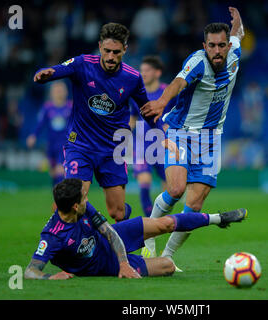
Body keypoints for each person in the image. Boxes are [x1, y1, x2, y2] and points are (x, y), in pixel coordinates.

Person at [33, 23, 172, 223]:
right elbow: (57, 70)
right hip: (80, 145)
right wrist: (46, 74)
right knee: (75, 199)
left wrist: (161, 135)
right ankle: (74, 246)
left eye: (116, 52)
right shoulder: (82, 64)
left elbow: (147, 111)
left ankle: (121, 221)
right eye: (107, 51)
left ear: (124, 49)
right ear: (100, 47)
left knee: (117, 213)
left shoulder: (132, 78)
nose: (110, 57)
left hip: (113, 151)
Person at [140, 7, 245, 268]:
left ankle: (168, 257)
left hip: (211, 139)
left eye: (222, 45)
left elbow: (237, 34)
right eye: (212, 46)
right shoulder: (197, 61)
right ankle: (148, 236)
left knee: (195, 204)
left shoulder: (234, 53)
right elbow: (177, 83)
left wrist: (237, 22)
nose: (218, 51)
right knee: (175, 189)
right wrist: (162, 101)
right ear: (204, 46)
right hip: (181, 133)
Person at [24, 178, 247, 279]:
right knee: (168, 266)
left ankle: (220, 218)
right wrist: (49, 278)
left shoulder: (83, 208)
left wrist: (124, 263)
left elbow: (109, 232)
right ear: (74, 206)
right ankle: (139, 252)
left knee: (166, 223)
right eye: (83, 198)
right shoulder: (52, 237)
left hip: (112, 239)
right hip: (104, 265)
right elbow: (30, 271)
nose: (87, 199)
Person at [129, 56, 175, 218]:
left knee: (169, 189)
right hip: (142, 146)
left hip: (163, 145)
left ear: (157, 72)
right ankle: (150, 222)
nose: (143, 74)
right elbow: (133, 116)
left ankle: (159, 220)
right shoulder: (137, 93)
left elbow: (177, 113)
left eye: (147, 70)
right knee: (144, 182)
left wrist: (172, 128)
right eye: (142, 71)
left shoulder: (167, 91)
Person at [26, 81, 72, 187]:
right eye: (56, 90)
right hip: (51, 147)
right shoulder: (47, 108)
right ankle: (58, 201)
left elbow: (77, 126)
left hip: (65, 146)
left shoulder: (70, 107)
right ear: (51, 93)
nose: (59, 93)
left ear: (66, 92)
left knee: (61, 172)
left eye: (61, 90)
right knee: (54, 175)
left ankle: (63, 201)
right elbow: (40, 124)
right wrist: (33, 136)